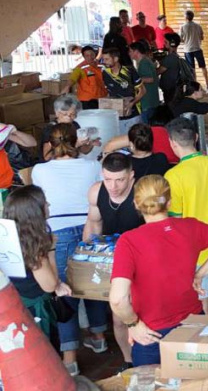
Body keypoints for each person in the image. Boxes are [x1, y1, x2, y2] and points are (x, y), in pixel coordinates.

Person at [109, 175, 208, 367]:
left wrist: (133, 324)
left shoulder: (129, 241)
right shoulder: (191, 226)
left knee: (153, 381)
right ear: (169, 202)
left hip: (151, 333)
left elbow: (118, 299)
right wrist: (200, 274)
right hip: (192, 324)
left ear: (136, 204)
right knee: (195, 380)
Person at [31, 123, 107, 376]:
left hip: (58, 233)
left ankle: (70, 358)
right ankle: (99, 337)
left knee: (64, 291)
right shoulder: (93, 165)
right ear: (76, 141)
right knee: (93, 285)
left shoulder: (40, 170)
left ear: (50, 144)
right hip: (90, 227)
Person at [164, 117, 208, 315]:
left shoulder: (173, 176)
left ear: (172, 143)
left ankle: (207, 334)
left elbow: (176, 218)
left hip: (196, 250)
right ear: (196, 137)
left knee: (202, 299)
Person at [84, 153, 144, 370]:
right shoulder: (96, 191)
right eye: (108, 179)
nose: (113, 186)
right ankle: (129, 362)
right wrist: (89, 259)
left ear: (131, 176)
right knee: (119, 318)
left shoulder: (142, 194)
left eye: (119, 180)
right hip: (113, 260)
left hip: (142, 259)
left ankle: (149, 358)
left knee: (144, 313)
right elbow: (93, 225)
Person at [4, 186, 72, 340]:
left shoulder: (7, 237)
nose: (48, 205)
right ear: (35, 212)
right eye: (45, 202)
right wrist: (51, 248)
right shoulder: (34, 245)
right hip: (35, 312)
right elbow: (49, 285)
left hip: (12, 307)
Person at [39, 94, 93, 161]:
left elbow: (84, 151)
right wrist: (76, 145)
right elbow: (47, 157)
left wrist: (91, 143)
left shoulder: (75, 125)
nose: (69, 117)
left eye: (73, 114)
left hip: (72, 161)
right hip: (55, 164)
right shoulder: (50, 129)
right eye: (65, 114)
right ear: (57, 113)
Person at [101, 46, 145, 125]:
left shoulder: (129, 71)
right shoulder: (105, 73)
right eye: (103, 59)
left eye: (107, 59)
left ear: (116, 59)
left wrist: (132, 103)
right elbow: (108, 92)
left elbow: (143, 91)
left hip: (133, 115)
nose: (104, 62)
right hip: (115, 117)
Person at [129, 41, 161, 123]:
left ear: (136, 51)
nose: (129, 53)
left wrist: (136, 80)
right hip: (150, 101)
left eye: (130, 51)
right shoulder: (145, 61)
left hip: (147, 101)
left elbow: (150, 79)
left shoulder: (144, 63)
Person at [180, 11, 208, 88]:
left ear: (185, 17)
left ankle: (196, 87)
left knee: (192, 69)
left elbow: (181, 39)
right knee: (203, 66)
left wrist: (187, 40)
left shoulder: (183, 27)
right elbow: (202, 37)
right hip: (197, 48)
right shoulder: (198, 26)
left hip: (188, 50)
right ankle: (207, 84)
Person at [158, 33, 185, 104]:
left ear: (172, 44)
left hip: (170, 90)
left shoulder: (170, 58)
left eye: (166, 42)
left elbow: (158, 71)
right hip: (172, 89)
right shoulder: (175, 56)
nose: (164, 44)